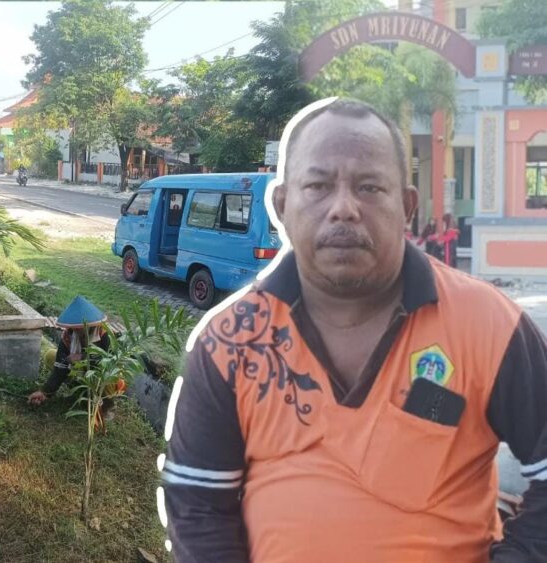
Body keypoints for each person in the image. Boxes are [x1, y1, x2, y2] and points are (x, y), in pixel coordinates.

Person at [163, 98, 547, 562]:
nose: (343, 207)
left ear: (406, 206)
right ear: (282, 206)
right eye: (318, 185)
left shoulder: (489, 325)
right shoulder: (231, 341)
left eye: (368, 187)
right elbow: (198, 504)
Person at [27, 296, 123, 428]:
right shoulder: (68, 335)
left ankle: (106, 405)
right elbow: (61, 366)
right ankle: (78, 389)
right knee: (51, 355)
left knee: (110, 373)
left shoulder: (104, 335)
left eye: (80, 327)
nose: (76, 330)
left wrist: (82, 357)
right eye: (74, 327)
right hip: (81, 372)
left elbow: (106, 361)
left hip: (100, 375)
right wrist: (45, 392)